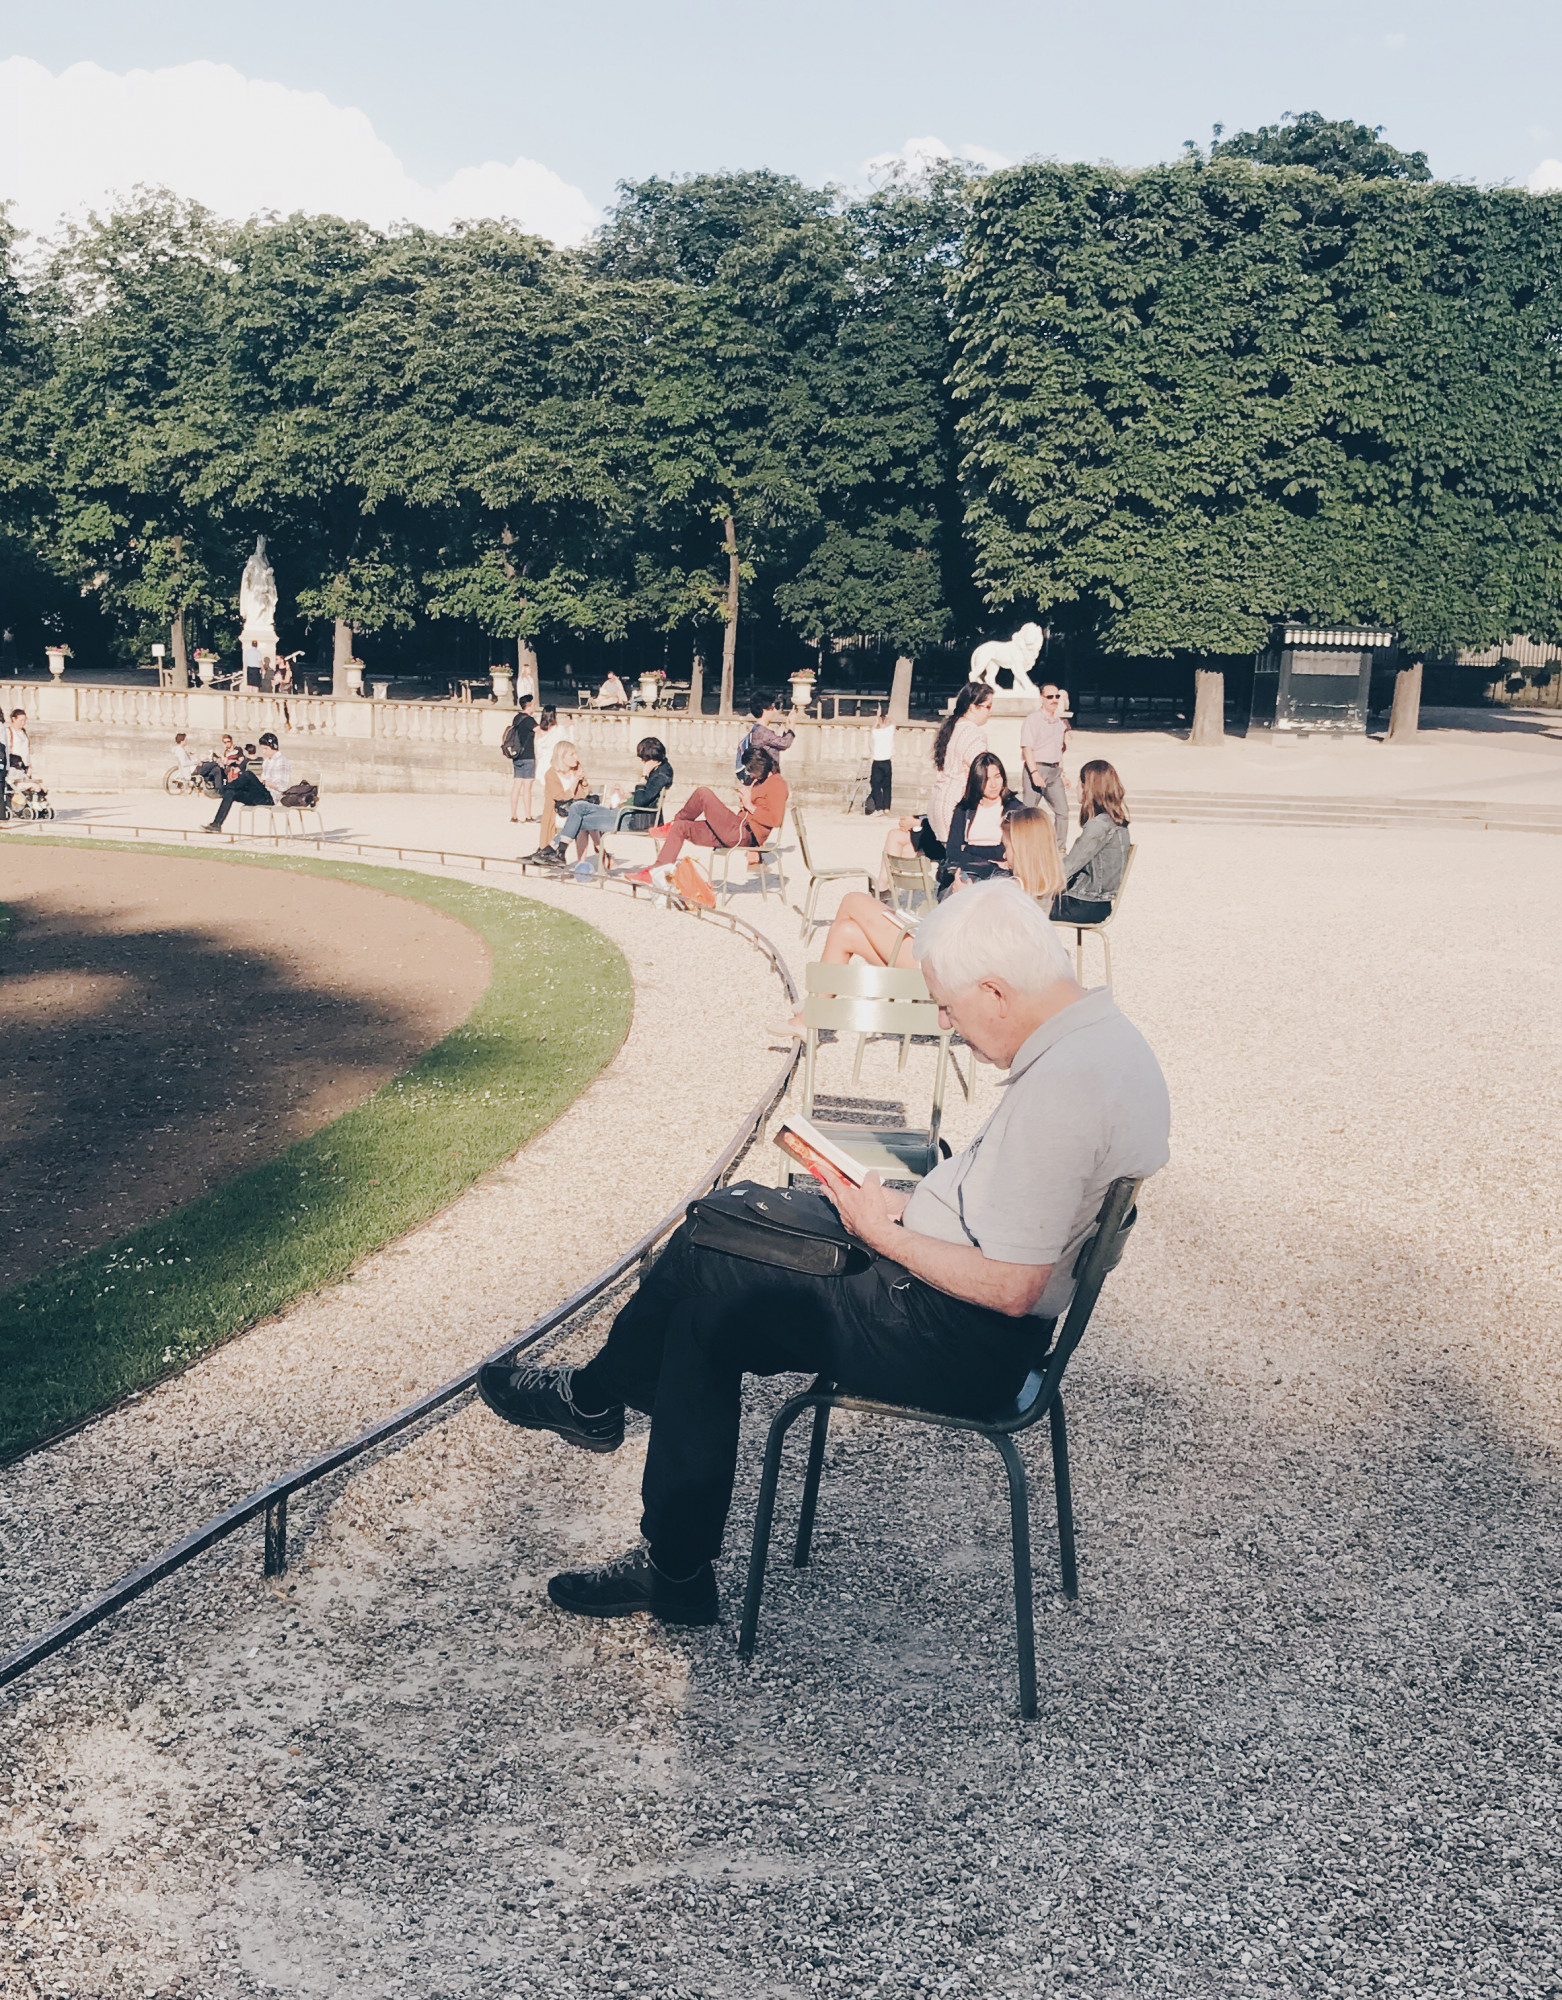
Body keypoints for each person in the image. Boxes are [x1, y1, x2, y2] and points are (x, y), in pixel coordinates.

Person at [475, 878, 1171, 1623]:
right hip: (955, 1308)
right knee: (709, 1291)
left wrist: (882, 1232)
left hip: (958, 1339)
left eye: (950, 1005)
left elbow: (1012, 1286)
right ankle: (661, 1544)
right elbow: (1005, 1221)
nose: (946, 1022)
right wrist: (898, 1208)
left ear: (996, 991)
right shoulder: (1107, 1042)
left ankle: (600, 1414)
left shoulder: (1064, 1089)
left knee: (709, 1244)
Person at [631, 744, 788, 885]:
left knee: (703, 793)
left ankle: (672, 823)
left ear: (759, 767)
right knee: (681, 827)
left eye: (750, 770)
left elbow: (776, 819)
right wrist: (745, 805)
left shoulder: (777, 783)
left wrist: (749, 805)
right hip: (736, 829)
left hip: (744, 833)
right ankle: (655, 871)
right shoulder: (760, 782)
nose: (749, 775)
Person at [528, 739, 674, 867]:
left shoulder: (660, 774)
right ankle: (557, 852)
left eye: (644, 760)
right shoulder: (660, 770)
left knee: (578, 809)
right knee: (578, 810)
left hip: (634, 820)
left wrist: (643, 776)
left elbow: (642, 800)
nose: (642, 763)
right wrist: (627, 795)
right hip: (630, 814)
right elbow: (646, 796)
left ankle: (553, 850)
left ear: (652, 759)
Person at [1054, 760, 1131, 924]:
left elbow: (1065, 870)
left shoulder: (1098, 826)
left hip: (1085, 904)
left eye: (1079, 783)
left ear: (1087, 788)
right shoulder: (1115, 822)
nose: (1076, 788)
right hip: (1099, 902)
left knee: (1022, 904)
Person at [939, 752, 1017, 895]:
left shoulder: (1014, 810)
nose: (993, 784)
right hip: (967, 871)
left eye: (997, 776)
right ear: (977, 780)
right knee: (959, 892)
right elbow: (952, 851)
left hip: (998, 876)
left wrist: (968, 848)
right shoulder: (964, 809)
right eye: (986, 779)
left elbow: (1005, 851)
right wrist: (990, 862)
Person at [203, 731, 292, 831]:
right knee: (230, 792)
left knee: (248, 774)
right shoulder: (267, 761)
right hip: (260, 794)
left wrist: (263, 782)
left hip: (270, 797)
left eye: (265, 749)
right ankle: (216, 824)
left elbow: (283, 787)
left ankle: (221, 790)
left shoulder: (282, 761)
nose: (263, 752)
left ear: (273, 747)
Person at [1020, 683, 1071, 851]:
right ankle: (1024, 848)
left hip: (1054, 771)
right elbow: (1027, 747)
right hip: (1037, 767)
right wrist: (1034, 772)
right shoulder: (1032, 720)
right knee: (1028, 812)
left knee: (1063, 811)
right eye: (1050, 697)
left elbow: (1060, 749)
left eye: (1057, 696)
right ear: (1041, 698)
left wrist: (1063, 773)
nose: (1054, 700)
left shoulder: (1060, 723)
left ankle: (1059, 849)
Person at [539, 739, 592, 850]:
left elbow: (586, 794)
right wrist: (576, 780)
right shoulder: (551, 774)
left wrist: (584, 782)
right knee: (585, 822)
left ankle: (582, 862)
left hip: (576, 810)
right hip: (559, 812)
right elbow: (561, 797)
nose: (576, 757)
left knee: (586, 820)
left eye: (575, 754)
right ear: (562, 757)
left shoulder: (576, 769)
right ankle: (603, 855)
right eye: (572, 754)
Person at [734, 693, 795, 779]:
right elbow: (784, 743)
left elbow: (779, 743)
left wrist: (787, 729)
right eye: (772, 708)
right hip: (765, 776)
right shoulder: (762, 732)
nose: (775, 711)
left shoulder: (758, 728)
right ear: (764, 710)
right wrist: (791, 727)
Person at [502, 696, 538, 824]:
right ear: (528, 705)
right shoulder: (529, 720)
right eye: (533, 704)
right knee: (527, 788)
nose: (535, 707)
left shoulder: (517, 718)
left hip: (517, 755)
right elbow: (540, 731)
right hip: (528, 755)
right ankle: (528, 815)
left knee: (516, 785)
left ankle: (514, 815)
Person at [866, 707, 894, 815]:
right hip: (887, 761)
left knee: (876, 785)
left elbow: (872, 727)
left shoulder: (876, 732)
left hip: (877, 761)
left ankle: (879, 807)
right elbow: (893, 723)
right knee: (887, 785)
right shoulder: (889, 731)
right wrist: (887, 718)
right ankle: (887, 807)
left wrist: (877, 719)